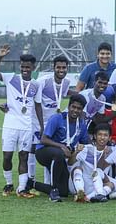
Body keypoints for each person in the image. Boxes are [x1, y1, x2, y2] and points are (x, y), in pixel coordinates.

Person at [0, 44, 39, 198]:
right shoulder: (11, 78)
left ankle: (22, 188)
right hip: (10, 124)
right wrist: (0, 57)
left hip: (26, 126)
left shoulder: (35, 85)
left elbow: (37, 108)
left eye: (28, 67)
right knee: (7, 156)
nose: (25, 69)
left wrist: (42, 127)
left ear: (33, 67)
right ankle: (9, 184)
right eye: (23, 66)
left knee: (23, 156)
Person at [30, 94, 91, 202]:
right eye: (73, 107)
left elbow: (87, 143)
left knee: (63, 191)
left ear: (82, 110)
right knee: (58, 153)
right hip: (43, 152)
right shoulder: (57, 118)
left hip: (61, 157)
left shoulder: (81, 124)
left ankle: (31, 183)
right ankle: (53, 191)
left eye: (79, 108)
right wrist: (62, 146)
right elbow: (43, 139)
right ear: (68, 106)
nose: (75, 110)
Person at [31, 55, 73, 184]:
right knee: (33, 148)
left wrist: (83, 94)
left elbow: (65, 93)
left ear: (67, 68)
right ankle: (30, 179)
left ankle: (48, 182)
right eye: (58, 67)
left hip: (53, 122)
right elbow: (35, 99)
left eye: (64, 67)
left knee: (50, 151)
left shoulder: (66, 82)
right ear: (53, 68)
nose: (61, 70)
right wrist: (41, 126)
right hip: (38, 121)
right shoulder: (43, 81)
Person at [71, 124, 113, 203]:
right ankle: (80, 192)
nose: (102, 138)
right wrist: (76, 152)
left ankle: (88, 197)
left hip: (98, 185)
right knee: (77, 168)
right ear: (95, 136)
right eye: (100, 134)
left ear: (109, 138)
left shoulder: (113, 151)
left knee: (111, 184)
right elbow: (70, 163)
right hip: (81, 182)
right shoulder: (86, 149)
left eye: (105, 135)